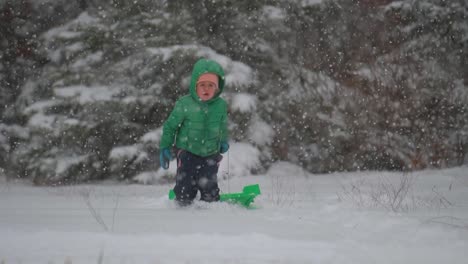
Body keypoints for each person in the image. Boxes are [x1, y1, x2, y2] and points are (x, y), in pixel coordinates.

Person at [159, 58, 229, 205]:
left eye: (211, 85)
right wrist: (165, 146)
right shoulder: (185, 103)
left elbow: (222, 125)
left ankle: (209, 203)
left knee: (209, 188)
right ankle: (183, 200)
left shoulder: (221, 105)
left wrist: (223, 141)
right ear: (195, 85)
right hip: (187, 151)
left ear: (217, 88)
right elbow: (170, 126)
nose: (206, 89)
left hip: (210, 152)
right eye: (202, 84)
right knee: (185, 189)